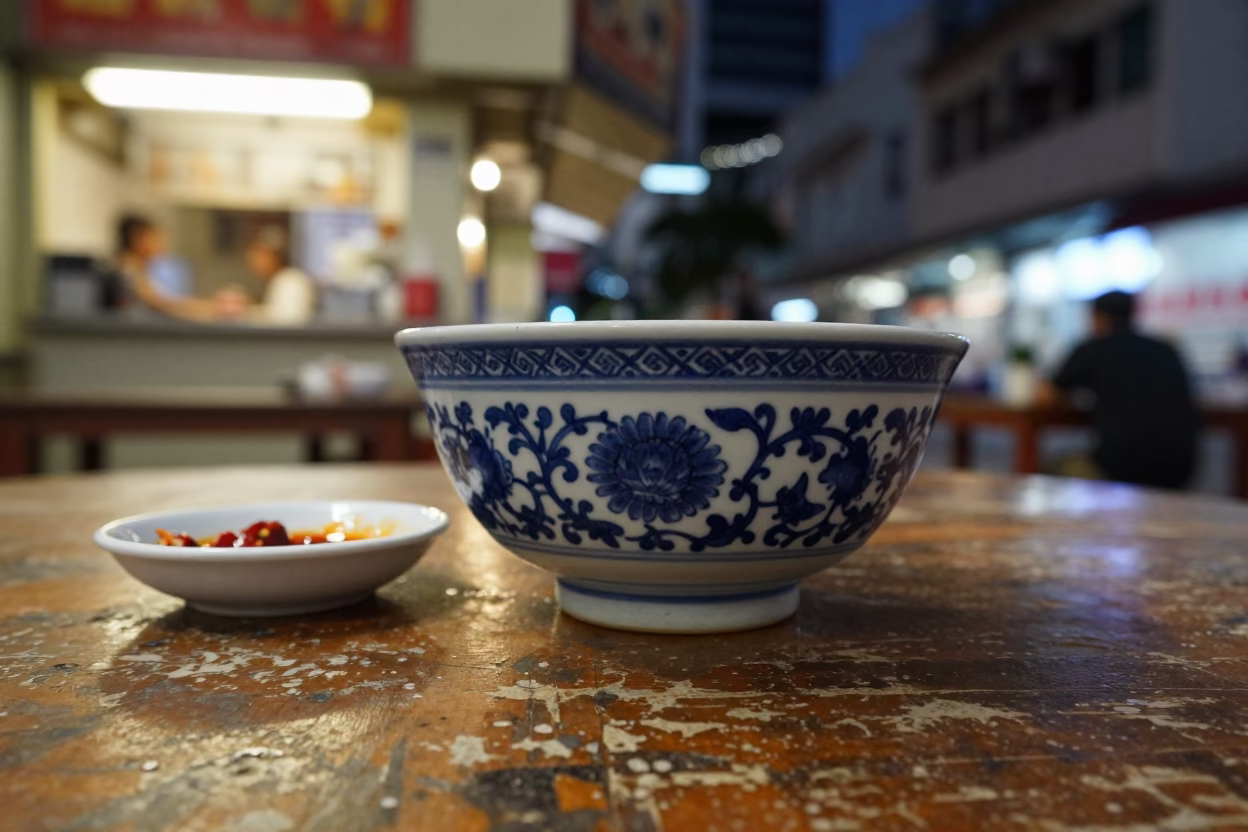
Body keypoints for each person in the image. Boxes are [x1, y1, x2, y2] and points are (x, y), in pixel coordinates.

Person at [1038, 290, 1199, 490]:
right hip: (1179, 470)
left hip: (1119, 469)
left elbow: (1046, 395)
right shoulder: (1166, 350)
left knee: (1056, 466)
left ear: (1097, 317)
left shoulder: (1094, 348)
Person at [114, 214, 218, 323]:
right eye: (154, 237)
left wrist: (209, 308)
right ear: (138, 238)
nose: (161, 243)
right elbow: (161, 303)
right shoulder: (128, 269)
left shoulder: (143, 269)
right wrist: (211, 308)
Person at [243, 227, 317, 326]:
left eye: (261, 256)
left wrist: (249, 313)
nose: (254, 263)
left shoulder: (292, 280)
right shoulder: (276, 280)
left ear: (275, 256)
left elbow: (288, 321)